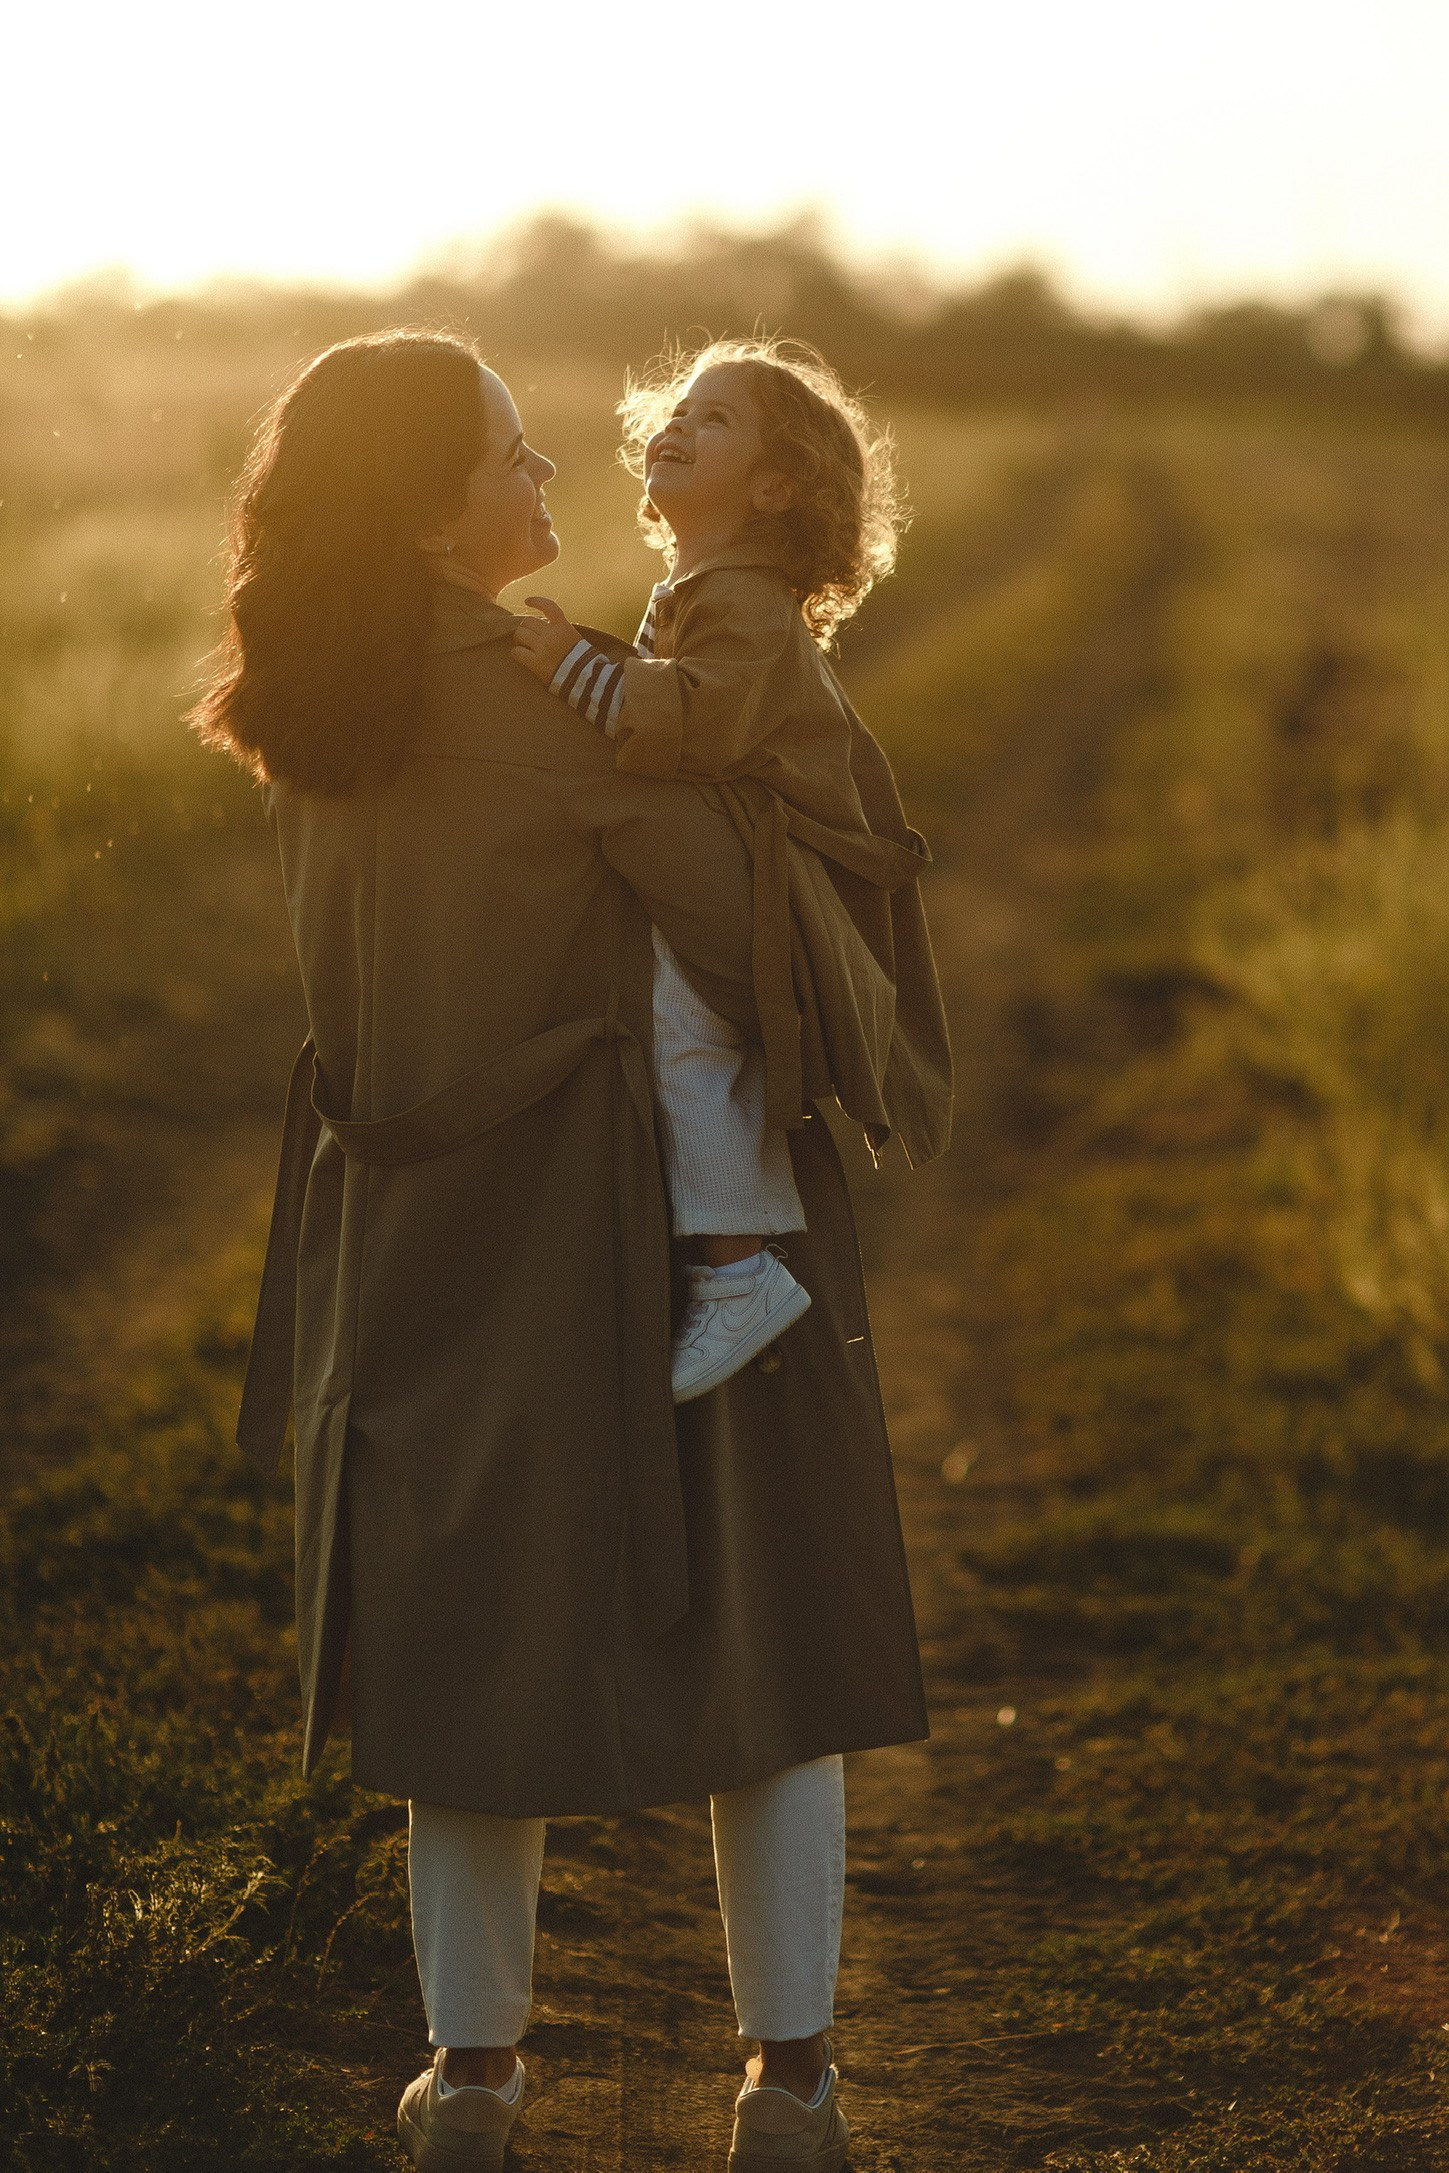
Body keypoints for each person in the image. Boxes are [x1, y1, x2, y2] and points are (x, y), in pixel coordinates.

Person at [191, 328, 943, 2173]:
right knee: (764, 1638)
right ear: (430, 503)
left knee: (463, 1659)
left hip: (414, 1236)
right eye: (513, 458)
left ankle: (472, 2082)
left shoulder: (306, 703)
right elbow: (737, 891)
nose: (550, 486)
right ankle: (788, 2082)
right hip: (636, 1218)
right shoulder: (544, 701)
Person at [514, 338, 950, 1409]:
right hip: (747, 856)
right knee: (689, 1019)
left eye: (714, 420)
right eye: (678, 408)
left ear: (772, 487)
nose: (676, 425)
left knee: (686, 1028)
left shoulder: (744, 599)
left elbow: (695, 727)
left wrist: (574, 670)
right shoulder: (706, 584)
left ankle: (737, 1268)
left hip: (780, 877)